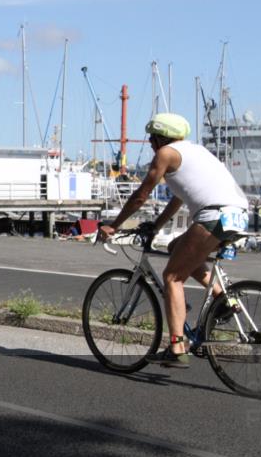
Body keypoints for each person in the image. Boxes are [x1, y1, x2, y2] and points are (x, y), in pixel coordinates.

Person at [97, 113, 249, 368]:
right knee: (175, 248)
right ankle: (223, 299)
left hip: (214, 215)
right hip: (239, 215)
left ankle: (177, 346)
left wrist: (114, 225)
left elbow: (140, 196)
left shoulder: (166, 153)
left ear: (160, 138)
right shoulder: (195, 151)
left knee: (172, 277)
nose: (149, 143)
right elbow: (178, 197)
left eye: (150, 138)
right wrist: (156, 226)